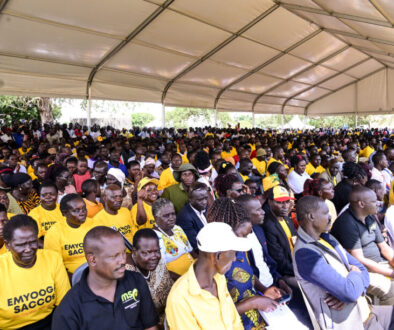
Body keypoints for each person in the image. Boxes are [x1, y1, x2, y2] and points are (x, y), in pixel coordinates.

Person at [294, 195, 394, 330]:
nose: (330, 217)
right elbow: (349, 291)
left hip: (365, 309)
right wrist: (350, 287)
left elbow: (361, 269)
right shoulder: (305, 254)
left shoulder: (326, 237)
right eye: (325, 213)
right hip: (355, 322)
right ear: (311, 217)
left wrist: (350, 289)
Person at [52, 226, 159, 329]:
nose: (123, 260)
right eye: (114, 256)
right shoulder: (69, 309)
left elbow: (150, 325)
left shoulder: (136, 280)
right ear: (92, 259)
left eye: (123, 253)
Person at [166, 222, 250, 330]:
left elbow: (234, 322)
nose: (234, 259)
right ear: (217, 256)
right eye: (233, 253)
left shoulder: (219, 279)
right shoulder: (180, 300)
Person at [0, 215, 70, 329]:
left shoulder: (52, 259)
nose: (28, 249)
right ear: (8, 245)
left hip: (49, 322)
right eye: (20, 245)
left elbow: (63, 304)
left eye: (33, 242)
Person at [331, 185, 394, 305]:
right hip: (363, 271)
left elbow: (384, 247)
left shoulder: (369, 217)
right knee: (391, 288)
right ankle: (386, 321)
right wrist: (391, 273)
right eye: (374, 201)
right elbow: (359, 260)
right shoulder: (347, 223)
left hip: (380, 263)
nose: (379, 204)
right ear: (361, 204)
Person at [128, 228, 173, 328]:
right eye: (147, 253)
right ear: (134, 252)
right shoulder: (127, 275)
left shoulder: (158, 262)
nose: (154, 256)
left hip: (170, 316)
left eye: (157, 251)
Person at [44, 194, 96, 275]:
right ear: (64, 213)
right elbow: (54, 265)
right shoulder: (54, 233)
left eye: (84, 208)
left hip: (97, 271)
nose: (82, 213)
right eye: (76, 210)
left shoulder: (94, 224)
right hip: (72, 276)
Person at [152, 198, 194, 278]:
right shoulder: (155, 237)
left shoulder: (177, 228)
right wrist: (183, 281)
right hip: (177, 280)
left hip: (192, 273)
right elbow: (161, 270)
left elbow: (190, 251)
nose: (171, 218)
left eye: (173, 214)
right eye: (166, 216)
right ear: (156, 218)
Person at [263, 185, 297, 278]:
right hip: (286, 273)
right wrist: (300, 271)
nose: (285, 206)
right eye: (280, 202)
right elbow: (280, 261)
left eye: (287, 201)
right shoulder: (268, 225)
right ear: (270, 202)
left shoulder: (287, 219)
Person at [176, 182, 209, 252]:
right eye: (200, 200)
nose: (204, 202)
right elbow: (196, 244)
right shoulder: (185, 217)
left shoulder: (206, 208)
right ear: (190, 199)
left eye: (206, 198)